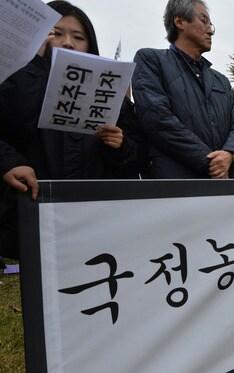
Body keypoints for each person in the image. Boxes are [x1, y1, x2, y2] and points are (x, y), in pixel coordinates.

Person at [0, 0, 141, 259]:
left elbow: (137, 158)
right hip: (33, 211)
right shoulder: (15, 78)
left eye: (78, 37)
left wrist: (120, 146)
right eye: (56, 33)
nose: (67, 43)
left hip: (95, 216)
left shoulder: (113, 93)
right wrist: (9, 163)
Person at [132, 0, 234, 179]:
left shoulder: (221, 80)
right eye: (204, 20)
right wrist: (210, 162)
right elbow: (157, 118)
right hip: (175, 185)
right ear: (180, 22)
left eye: (211, 24)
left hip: (226, 183)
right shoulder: (150, 60)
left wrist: (230, 154)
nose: (210, 30)